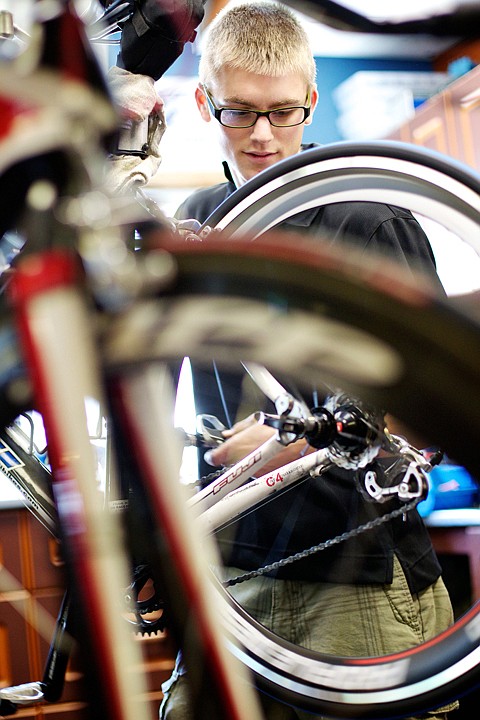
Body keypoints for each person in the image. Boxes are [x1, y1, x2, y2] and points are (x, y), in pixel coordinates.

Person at [160, 3, 458, 719]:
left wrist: (302, 437)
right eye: (239, 112)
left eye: (282, 111)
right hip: (234, 572)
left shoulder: (368, 215)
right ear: (205, 102)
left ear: (311, 103)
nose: (263, 134)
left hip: (359, 582)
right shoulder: (198, 222)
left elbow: (435, 419)